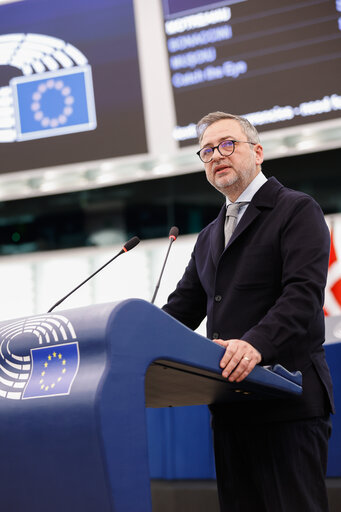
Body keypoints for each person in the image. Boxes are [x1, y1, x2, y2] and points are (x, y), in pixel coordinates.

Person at [162, 111, 334, 512]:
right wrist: (133, 342)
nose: (217, 155)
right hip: (232, 408)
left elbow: (302, 296)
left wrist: (255, 344)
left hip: (287, 402)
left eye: (227, 145)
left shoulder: (296, 209)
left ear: (257, 152)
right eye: (207, 151)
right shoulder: (208, 236)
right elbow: (181, 309)